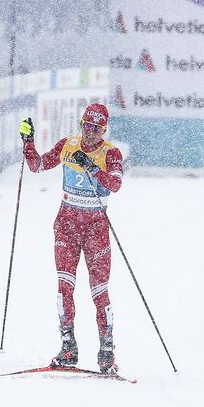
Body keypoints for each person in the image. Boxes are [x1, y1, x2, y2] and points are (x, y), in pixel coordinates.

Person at [20, 103, 124, 374]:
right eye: (86, 126)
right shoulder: (68, 145)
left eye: (96, 129)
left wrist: (92, 168)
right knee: (64, 287)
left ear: (104, 130)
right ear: (81, 125)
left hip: (96, 228)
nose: (90, 133)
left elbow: (115, 184)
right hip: (67, 225)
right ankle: (68, 347)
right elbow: (37, 165)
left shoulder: (110, 153)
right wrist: (28, 143)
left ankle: (106, 350)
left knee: (99, 291)